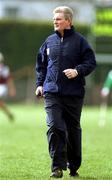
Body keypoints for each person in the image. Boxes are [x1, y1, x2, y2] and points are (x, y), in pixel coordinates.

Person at [35, 6, 96, 178]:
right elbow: (41, 65)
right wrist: (40, 84)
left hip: (74, 94)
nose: (55, 21)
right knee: (55, 126)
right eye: (54, 19)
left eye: (59, 19)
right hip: (52, 92)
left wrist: (77, 71)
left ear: (68, 21)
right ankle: (56, 167)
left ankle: (74, 165)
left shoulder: (80, 41)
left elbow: (91, 62)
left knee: (73, 130)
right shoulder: (48, 41)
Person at [0, 52, 16, 121]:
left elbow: (9, 79)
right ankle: (8, 113)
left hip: (2, 86)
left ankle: (8, 113)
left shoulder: (4, 68)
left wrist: (12, 89)